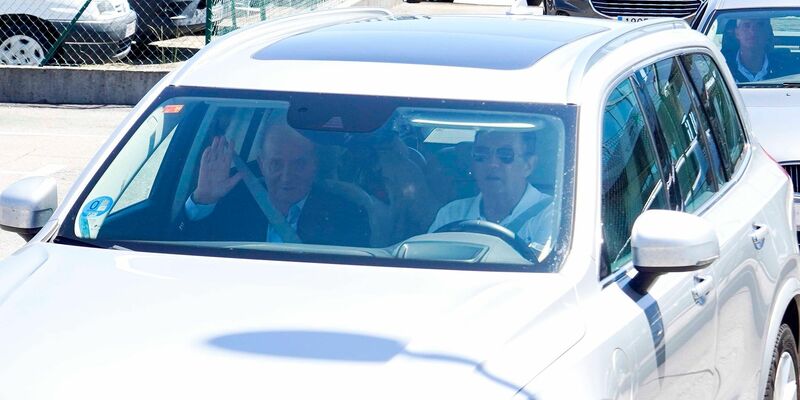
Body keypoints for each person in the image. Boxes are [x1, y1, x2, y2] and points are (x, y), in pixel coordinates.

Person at [179, 122, 371, 246]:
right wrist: (204, 199)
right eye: (276, 164)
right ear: (262, 164)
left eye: (299, 163)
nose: (287, 176)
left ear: (315, 165)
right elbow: (182, 256)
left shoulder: (345, 212)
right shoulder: (231, 203)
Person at [428, 129, 553, 252]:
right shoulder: (451, 214)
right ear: (473, 163)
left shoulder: (553, 216)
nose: (492, 163)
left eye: (505, 155)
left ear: (528, 165)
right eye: (481, 155)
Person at [728, 17, 786, 83]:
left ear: (768, 32)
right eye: (746, 25)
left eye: (760, 25)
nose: (753, 31)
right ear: (737, 33)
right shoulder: (720, 66)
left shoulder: (786, 69)